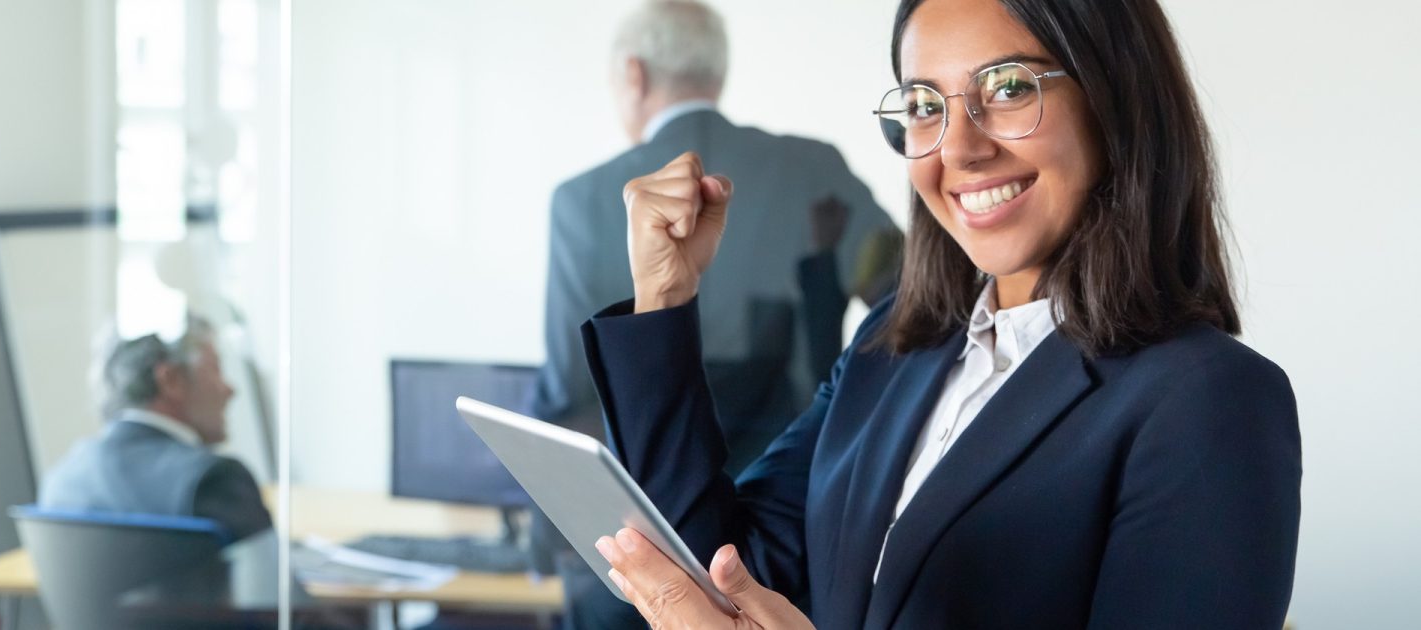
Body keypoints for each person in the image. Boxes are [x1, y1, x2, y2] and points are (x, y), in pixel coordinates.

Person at [585, 0, 1303, 627]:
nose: (958, 147)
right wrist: (664, 297)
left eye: (1011, 88)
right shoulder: (892, 346)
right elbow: (713, 570)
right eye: (926, 104)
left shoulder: (1211, 401)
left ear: (1115, 98)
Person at [532, 0, 901, 475]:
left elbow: (568, 388)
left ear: (634, 74)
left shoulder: (579, 201)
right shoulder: (815, 168)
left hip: (643, 499)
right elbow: (915, 301)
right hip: (800, 489)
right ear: (717, 74)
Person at [41, 314, 272, 541]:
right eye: (215, 369)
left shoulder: (60, 483)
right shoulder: (213, 479)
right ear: (171, 380)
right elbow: (273, 578)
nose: (229, 390)